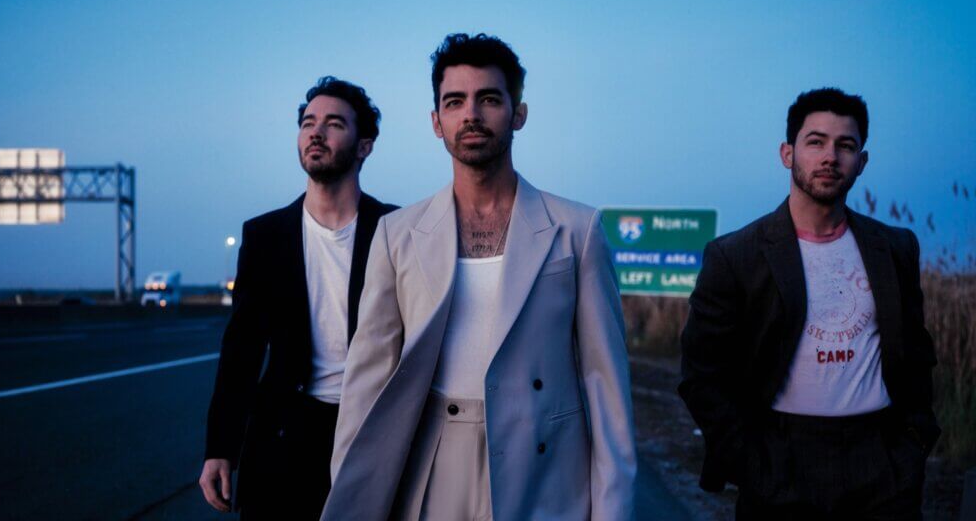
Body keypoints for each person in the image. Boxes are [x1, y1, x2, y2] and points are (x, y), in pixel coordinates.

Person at [320, 33, 637, 521]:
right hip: (433, 461)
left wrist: (613, 512)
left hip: (545, 467)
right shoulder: (397, 234)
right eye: (455, 101)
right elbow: (366, 384)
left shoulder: (578, 230)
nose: (471, 114)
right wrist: (351, 493)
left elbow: (606, 389)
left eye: (489, 99)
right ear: (436, 121)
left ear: (519, 114)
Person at [680, 87, 939, 520]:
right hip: (781, 458)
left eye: (846, 145)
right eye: (815, 141)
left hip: (881, 462)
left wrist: (912, 445)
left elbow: (915, 353)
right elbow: (701, 375)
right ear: (787, 153)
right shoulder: (735, 255)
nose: (830, 157)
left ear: (862, 162)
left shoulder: (894, 248)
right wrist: (750, 463)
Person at [199, 77, 397, 519]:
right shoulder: (265, 235)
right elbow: (242, 349)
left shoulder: (396, 230)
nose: (316, 133)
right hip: (286, 435)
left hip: (371, 430)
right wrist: (220, 449)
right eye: (308, 123)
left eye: (333, 124)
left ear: (364, 145)